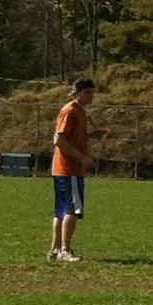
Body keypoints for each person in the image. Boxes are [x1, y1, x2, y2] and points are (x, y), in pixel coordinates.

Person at [47, 77, 110, 262]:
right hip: (69, 169)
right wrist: (81, 157)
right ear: (77, 92)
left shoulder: (80, 111)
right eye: (88, 92)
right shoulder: (70, 111)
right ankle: (65, 251)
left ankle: (55, 250)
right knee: (72, 210)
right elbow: (59, 140)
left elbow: (74, 136)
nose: (92, 96)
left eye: (93, 92)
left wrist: (93, 134)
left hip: (65, 170)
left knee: (61, 211)